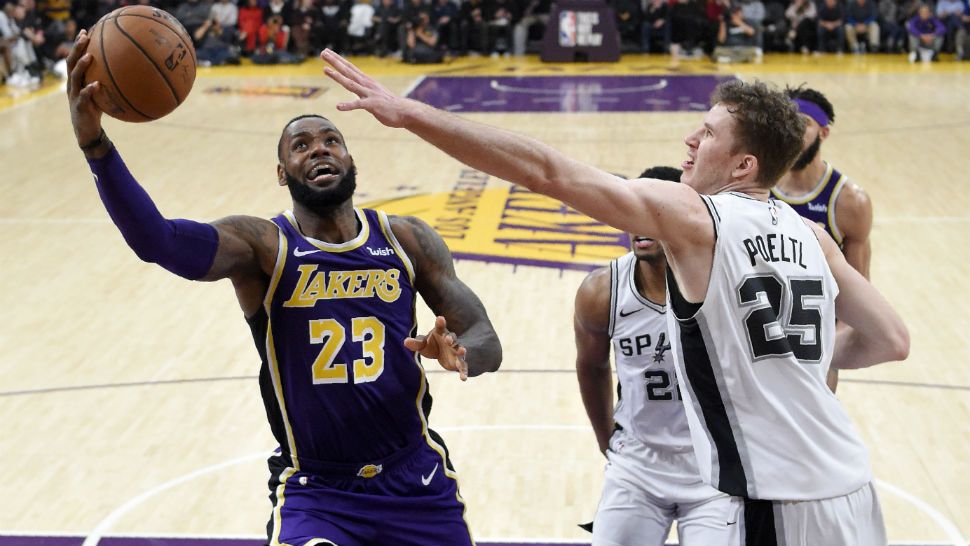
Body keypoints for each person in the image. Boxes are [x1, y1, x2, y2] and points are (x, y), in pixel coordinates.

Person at [321, 49, 910, 545]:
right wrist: (793, 352)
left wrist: (410, 115)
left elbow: (548, 172)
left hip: (779, 500)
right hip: (853, 485)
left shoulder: (698, 217)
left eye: (706, 133)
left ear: (742, 165)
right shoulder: (811, 234)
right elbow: (891, 340)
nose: (690, 138)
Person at [67, 33, 502, 546]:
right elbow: (157, 241)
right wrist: (96, 145)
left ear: (350, 160)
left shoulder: (407, 239)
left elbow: (484, 337)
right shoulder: (262, 247)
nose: (318, 148)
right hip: (318, 492)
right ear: (282, 172)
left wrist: (461, 353)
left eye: (330, 140)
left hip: (416, 479)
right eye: (300, 145)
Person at [575, 167, 739, 546]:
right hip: (637, 465)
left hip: (714, 469)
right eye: (635, 211)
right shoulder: (602, 291)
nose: (641, 224)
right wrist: (607, 442)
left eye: (655, 212)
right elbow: (591, 366)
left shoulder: (726, 285)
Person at [773, 85, 873, 392]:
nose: (793, 133)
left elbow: (856, 292)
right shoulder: (755, 186)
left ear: (823, 133)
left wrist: (831, 350)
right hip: (756, 321)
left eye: (803, 125)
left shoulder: (849, 201)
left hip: (813, 334)